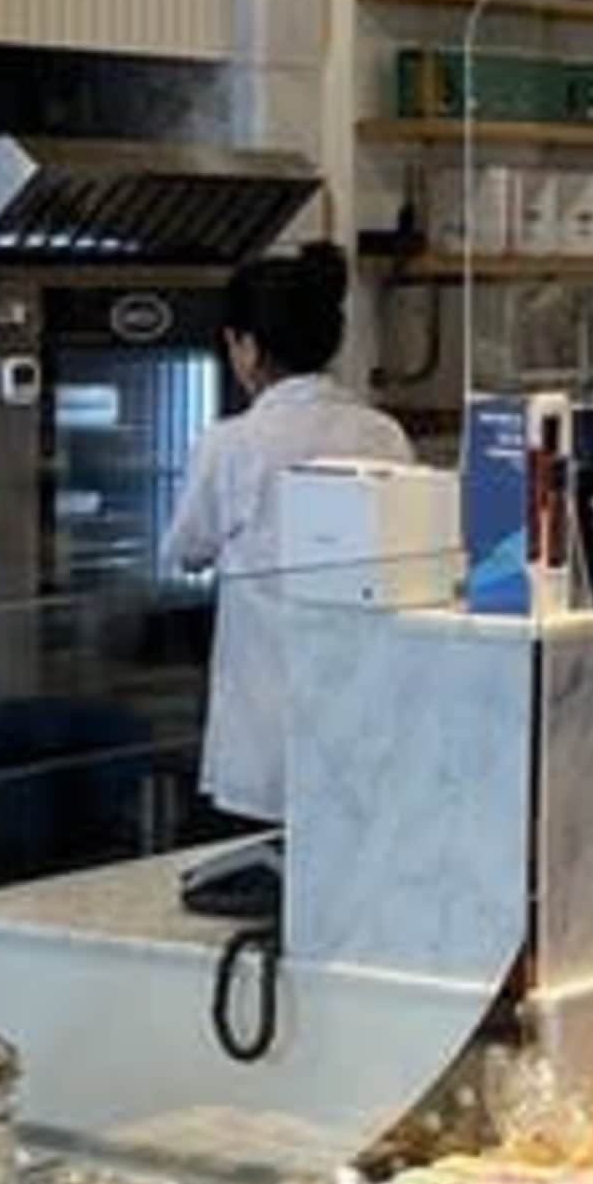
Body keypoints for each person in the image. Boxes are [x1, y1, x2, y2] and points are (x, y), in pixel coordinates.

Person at [165, 236, 409, 833]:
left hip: (265, 725)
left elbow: (182, 551)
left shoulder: (232, 445)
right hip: (365, 721)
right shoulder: (383, 435)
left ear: (246, 348)